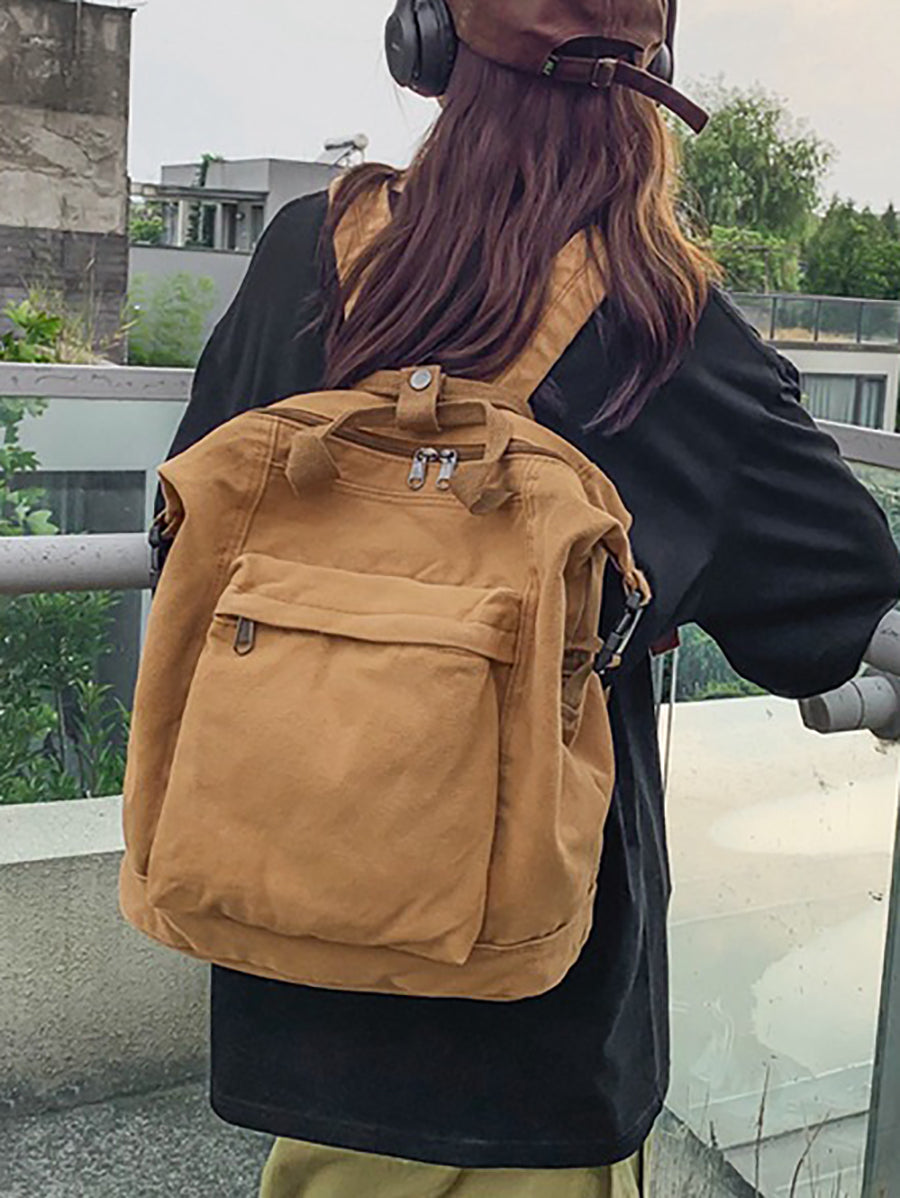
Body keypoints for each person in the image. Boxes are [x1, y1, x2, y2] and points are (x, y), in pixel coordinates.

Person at [158, 2, 900, 1194]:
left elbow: (189, 524)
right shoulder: (654, 317)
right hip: (529, 1041)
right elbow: (835, 590)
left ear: (429, 43)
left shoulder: (308, 247)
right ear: (653, 82)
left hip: (293, 965)